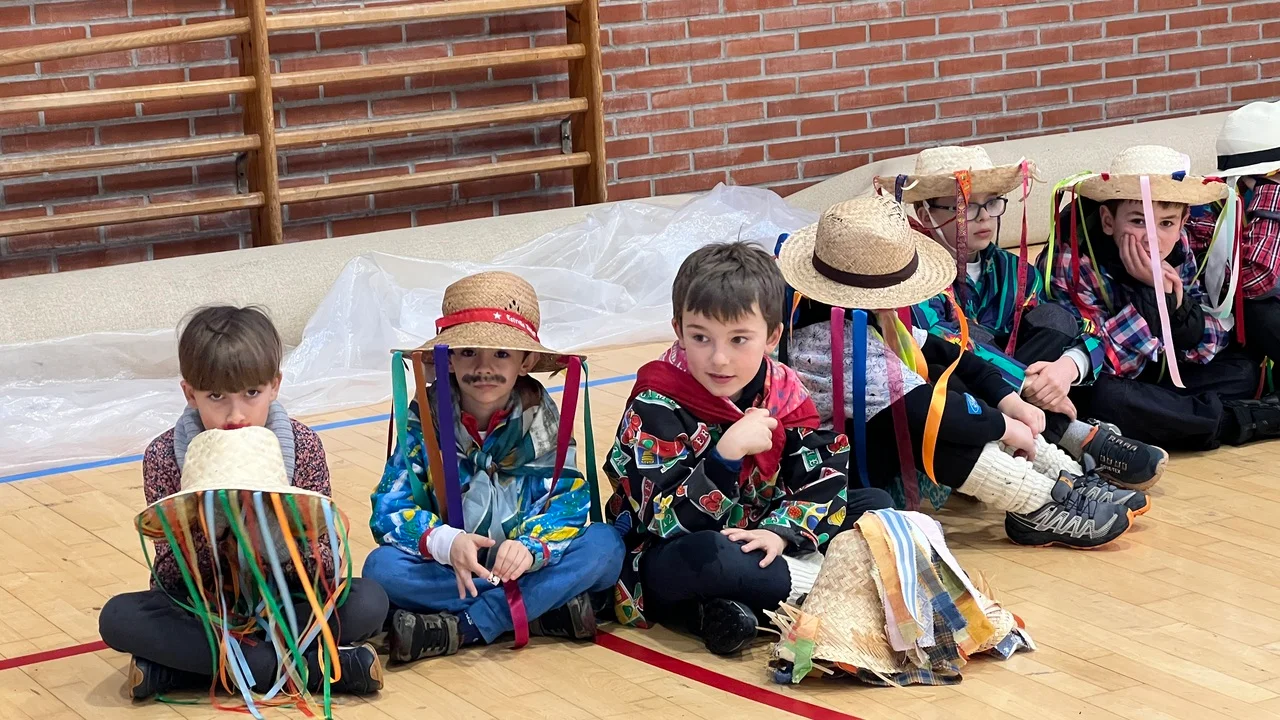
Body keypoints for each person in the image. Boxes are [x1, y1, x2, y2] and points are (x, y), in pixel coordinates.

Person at [778, 195, 1137, 550]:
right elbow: (929, 411)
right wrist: (1008, 427)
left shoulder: (861, 315)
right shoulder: (826, 340)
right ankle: (1037, 499)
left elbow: (948, 353)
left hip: (863, 444)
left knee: (940, 371)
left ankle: (1062, 476)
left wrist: (1009, 400)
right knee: (924, 422)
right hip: (822, 476)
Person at [605, 241, 882, 656]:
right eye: (701, 337)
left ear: (772, 336)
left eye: (739, 339)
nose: (719, 359)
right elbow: (664, 522)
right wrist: (725, 457)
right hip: (677, 550)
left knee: (876, 507)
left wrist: (779, 533)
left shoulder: (784, 391)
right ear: (679, 330)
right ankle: (822, 587)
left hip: (758, 531)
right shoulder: (655, 403)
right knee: (711, 556)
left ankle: (737, 608)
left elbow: (820, 476)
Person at [98, 306, 387, 701]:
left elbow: (327, 560)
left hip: (289, 605)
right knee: (118, 617)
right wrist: (217, 527)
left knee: (369, 601)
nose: (236, 415)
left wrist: (272, 540)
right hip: (206, 612)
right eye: (216, 396)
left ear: (274, 386)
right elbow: (167, 573)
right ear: (190, 394)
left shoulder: (303, 446)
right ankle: (301, 669)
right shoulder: (164, 456)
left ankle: (187, 670)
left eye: (252, 393)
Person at [363, 271, 623, 663]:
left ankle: (466, 625)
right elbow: (389, 507)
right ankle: (538, 610)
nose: (484, 367)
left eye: (501, 353)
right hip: (454, 568)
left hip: (524, 565)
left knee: (606, 546)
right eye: (468, 351)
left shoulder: (542, 417)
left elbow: (567, 502)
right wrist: (446, 542)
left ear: (526, 361)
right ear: (448, 359)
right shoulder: (426, 418)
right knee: (382, 568)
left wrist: (531, 547)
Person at [881, 146, 1168, 489]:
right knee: (965, 345)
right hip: (957, 396)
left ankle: (1052, 439)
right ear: (926, 215)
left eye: (992, 203)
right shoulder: (913, 274)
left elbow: (1082, 326)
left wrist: (1066, 368)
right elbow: (941, 342)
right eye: (966, 206)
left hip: (1019, 388)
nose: (984, 217)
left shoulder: (1010, 268)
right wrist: (1020, 383)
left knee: (1055, 318)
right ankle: (1076, 437)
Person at [1040, 145, 1271, 449]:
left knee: (1242, 372)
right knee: (1104, 398)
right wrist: (1148, 295)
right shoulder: (1072, 259)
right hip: (1111, 376)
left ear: (1183, 222)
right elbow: (1095, 357)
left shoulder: (1178, 245)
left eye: (1166, 223)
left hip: (1161, 373)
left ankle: (1182, 418)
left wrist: (1178, 308)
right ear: (1108, 221)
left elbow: (1212, 340)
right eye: (1138, 222)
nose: (1153, 237)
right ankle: (1234, 421)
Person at [1186, 100, 1280, 374]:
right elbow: (1255, 278)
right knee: (1262, 311)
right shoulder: (1208, 211)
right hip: (1236, 331)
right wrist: (1271, 197)